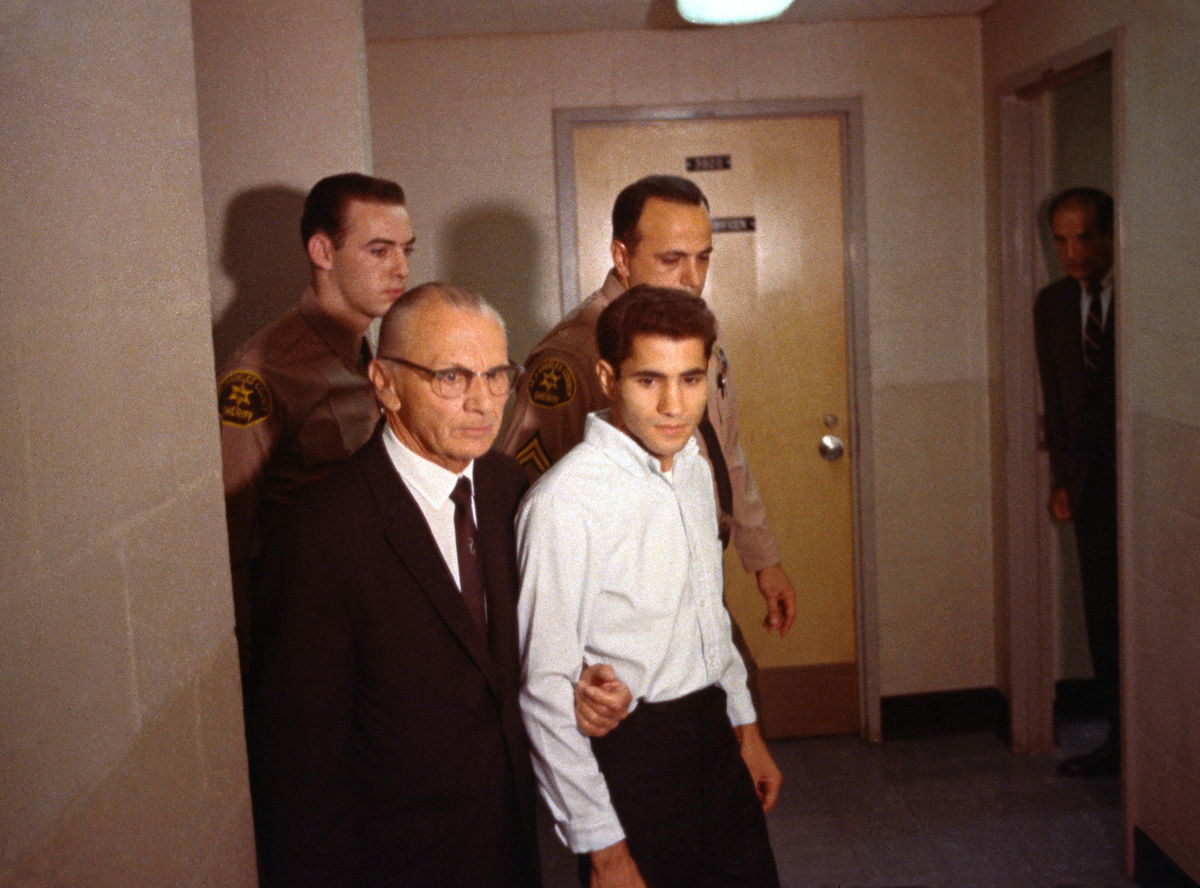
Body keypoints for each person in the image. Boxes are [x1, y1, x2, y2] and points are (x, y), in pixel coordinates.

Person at [250, 283, 538, 886]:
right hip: (396, 861)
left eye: (496, 376)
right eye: (452, 378)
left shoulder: (510, 487)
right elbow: (301, 770)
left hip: (509, 842)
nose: (483, 404)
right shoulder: (322, 533)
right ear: (383, 382)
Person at [518, 285, 782, 888]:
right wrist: (607, 854)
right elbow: (545, 692)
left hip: (712, 736)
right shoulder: (564, 503)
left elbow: (707, 615)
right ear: (608, 378)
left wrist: (746, 732)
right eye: (649, 381)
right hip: (630, 755)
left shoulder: (692, 463)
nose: (673, 405)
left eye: (691, 380)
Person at [500, 174, 796, 639]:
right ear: (622, 257)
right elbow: (520, 502)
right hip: (617, 603)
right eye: (671, 260)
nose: (692, 279)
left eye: (703, 258)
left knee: (734, 694)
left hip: (695, 571)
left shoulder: (693, 338)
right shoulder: (573, 356)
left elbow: (726, 453)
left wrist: (762, 559)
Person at [217, 172, 415, 676]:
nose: (400, 269)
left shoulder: (377, 348)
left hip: (376, 616)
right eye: (378, 250)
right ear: (323, 252)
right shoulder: (261, 372)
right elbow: (230, 544)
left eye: (405, 250)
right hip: (303, 635)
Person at [1033, 187, 1118, 777]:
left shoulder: (1145, 294)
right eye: (1061, 240)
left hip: (1143, 480)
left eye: (1084, 236)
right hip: (1088, 488)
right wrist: (1062, 479)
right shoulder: (1054, 304)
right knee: (1103, 612)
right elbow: (1058, 400)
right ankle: (1119, 741)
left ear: (1111, 234)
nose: (1073, 252)